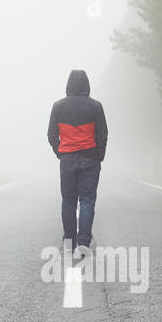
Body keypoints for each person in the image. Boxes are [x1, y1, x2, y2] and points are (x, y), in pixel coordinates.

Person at [47, 69, 108, 256]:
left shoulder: (58, 106)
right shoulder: (96, 107)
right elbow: (103, 135)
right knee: (87, 201)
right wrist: (98, 156)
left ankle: (69, 243)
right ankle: (83, 244)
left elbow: (51, 135)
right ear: (87, 85)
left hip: (67, 160)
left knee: (68, 201)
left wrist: (61, 153)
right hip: (90, 160)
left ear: (68, 84)